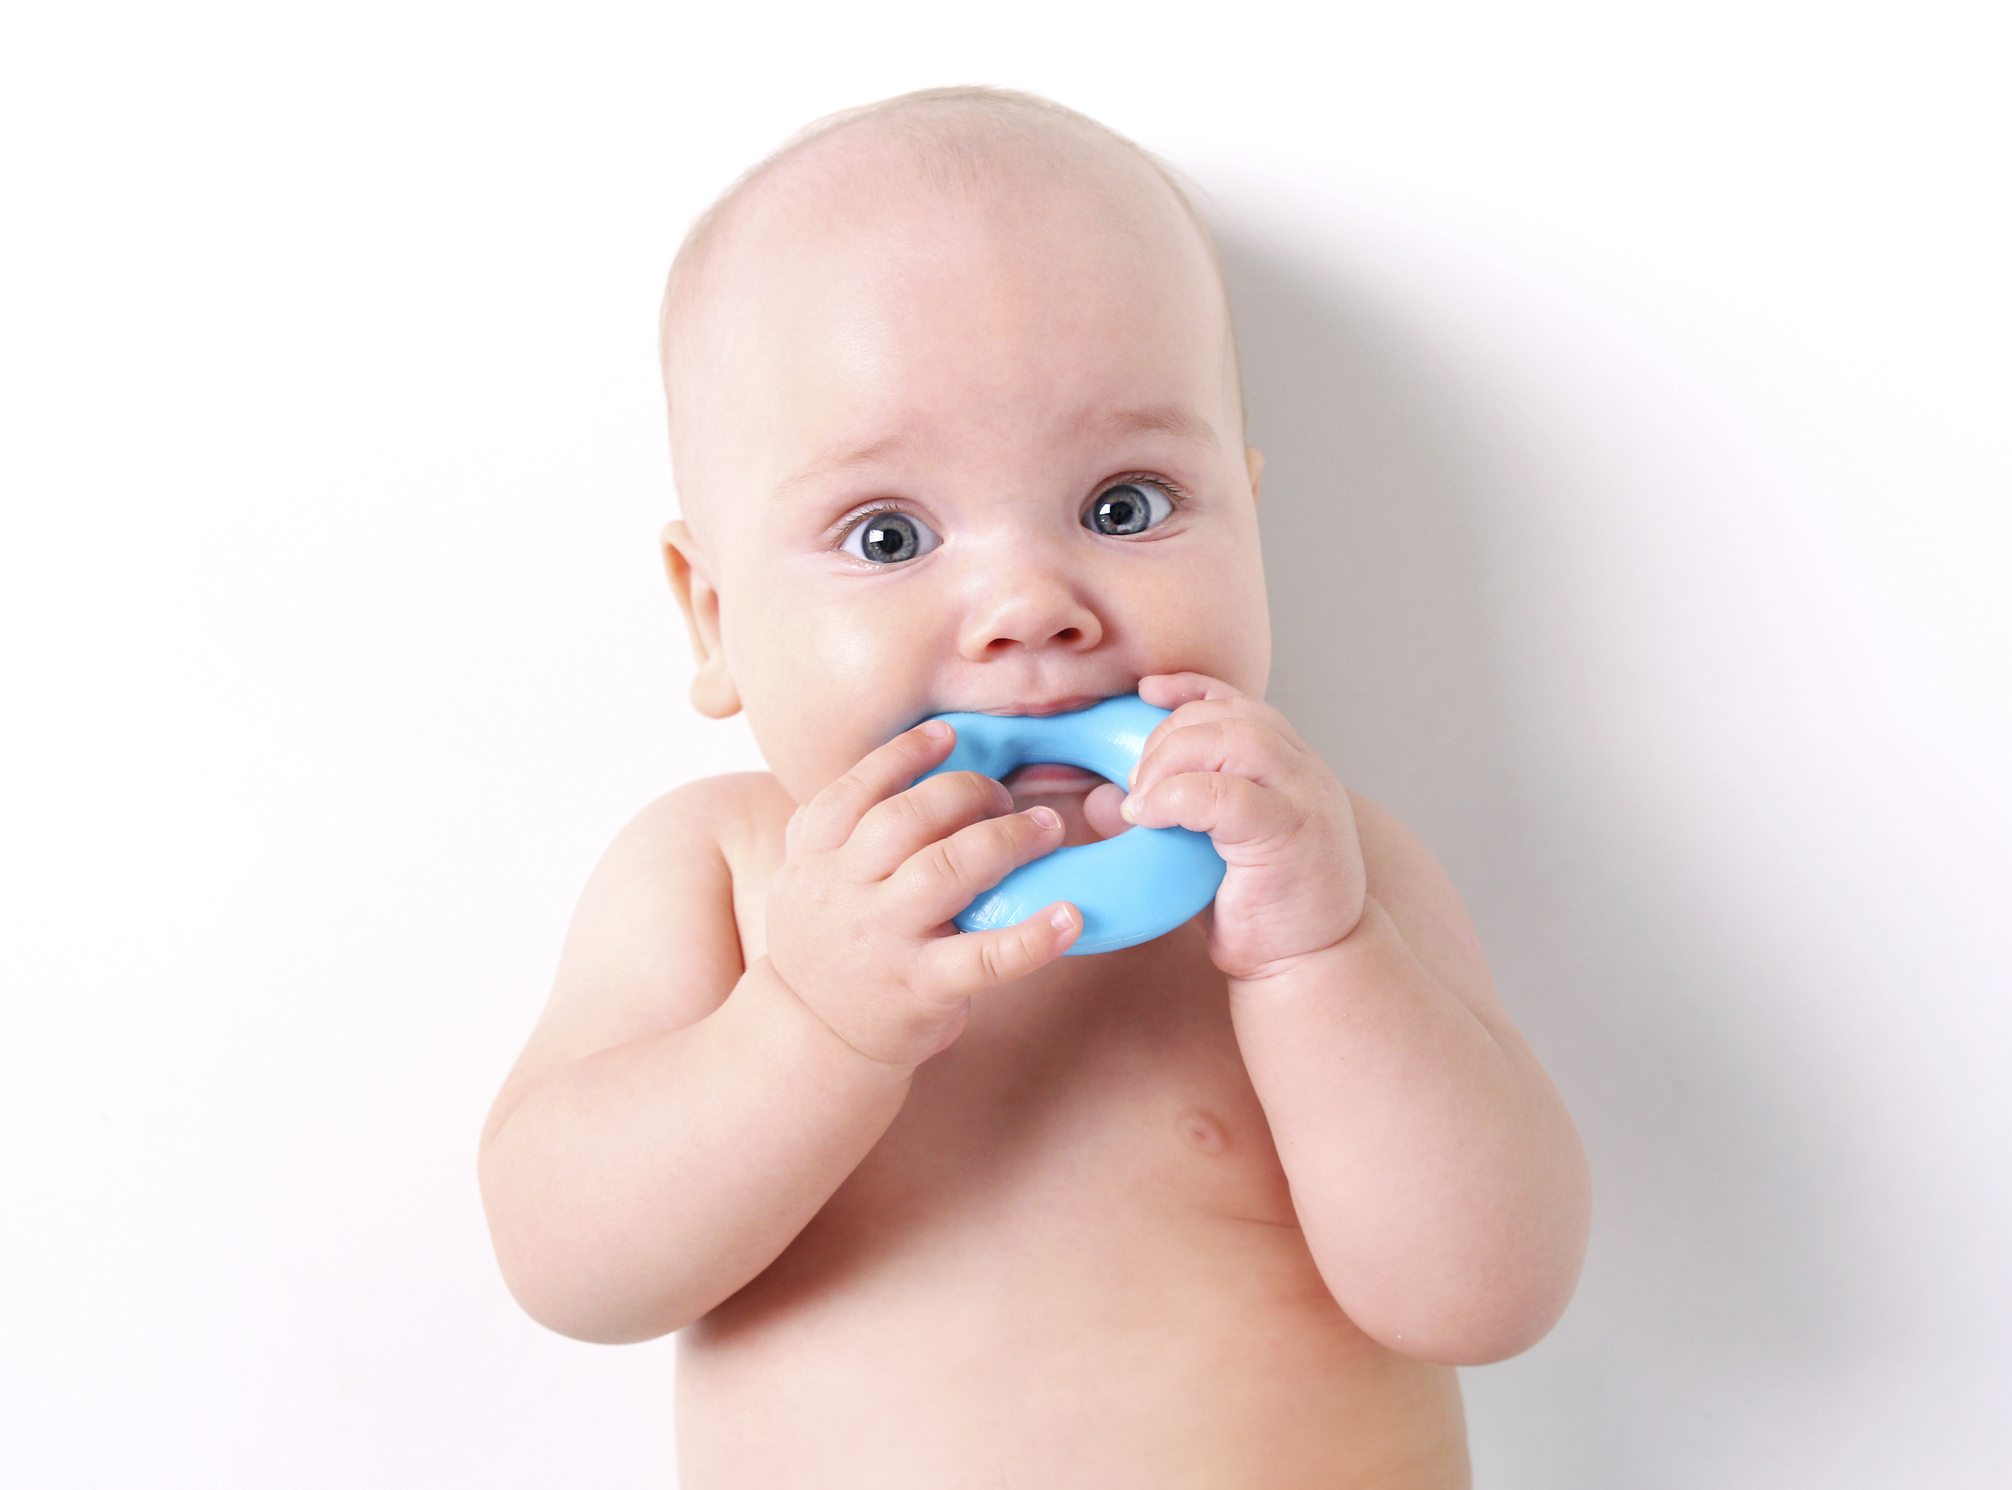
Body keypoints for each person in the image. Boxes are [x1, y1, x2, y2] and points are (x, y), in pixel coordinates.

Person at [479, 86, 1590, 1487]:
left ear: (1248, 517)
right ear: (714, 617)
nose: (1026, 605)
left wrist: (1321, 957)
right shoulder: (723, 875)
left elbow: (1486, 1296)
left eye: (1123, 505)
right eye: (889, 534)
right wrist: (808, 1023)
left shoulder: (1325, 871)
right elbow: (570, 1266)